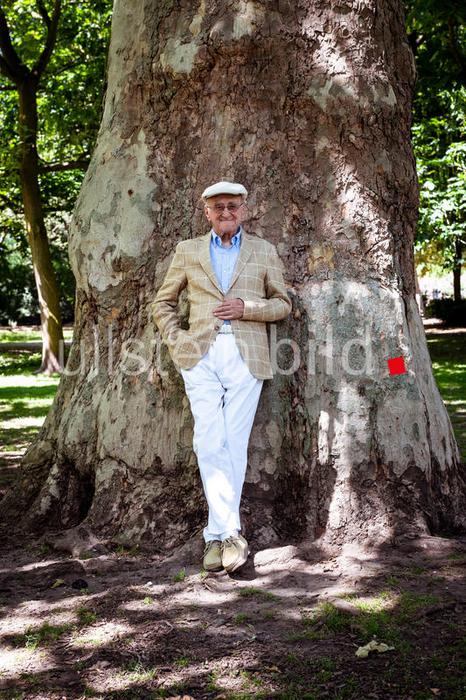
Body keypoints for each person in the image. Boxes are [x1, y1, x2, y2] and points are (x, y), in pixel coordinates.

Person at [152, 181, 291, 573]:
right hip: (200, 356)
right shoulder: (188, 251)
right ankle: (229, 534)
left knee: (235, 443)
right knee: (208, 440)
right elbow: (161, 303)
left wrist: (246, 307)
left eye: (232, 206)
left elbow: (283, 304)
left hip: (247, 357)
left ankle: (219, 537)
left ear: (243, 208)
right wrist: (178, 341)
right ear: (207, 212)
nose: (226, 213)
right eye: (218, 208)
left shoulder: (263, 251)